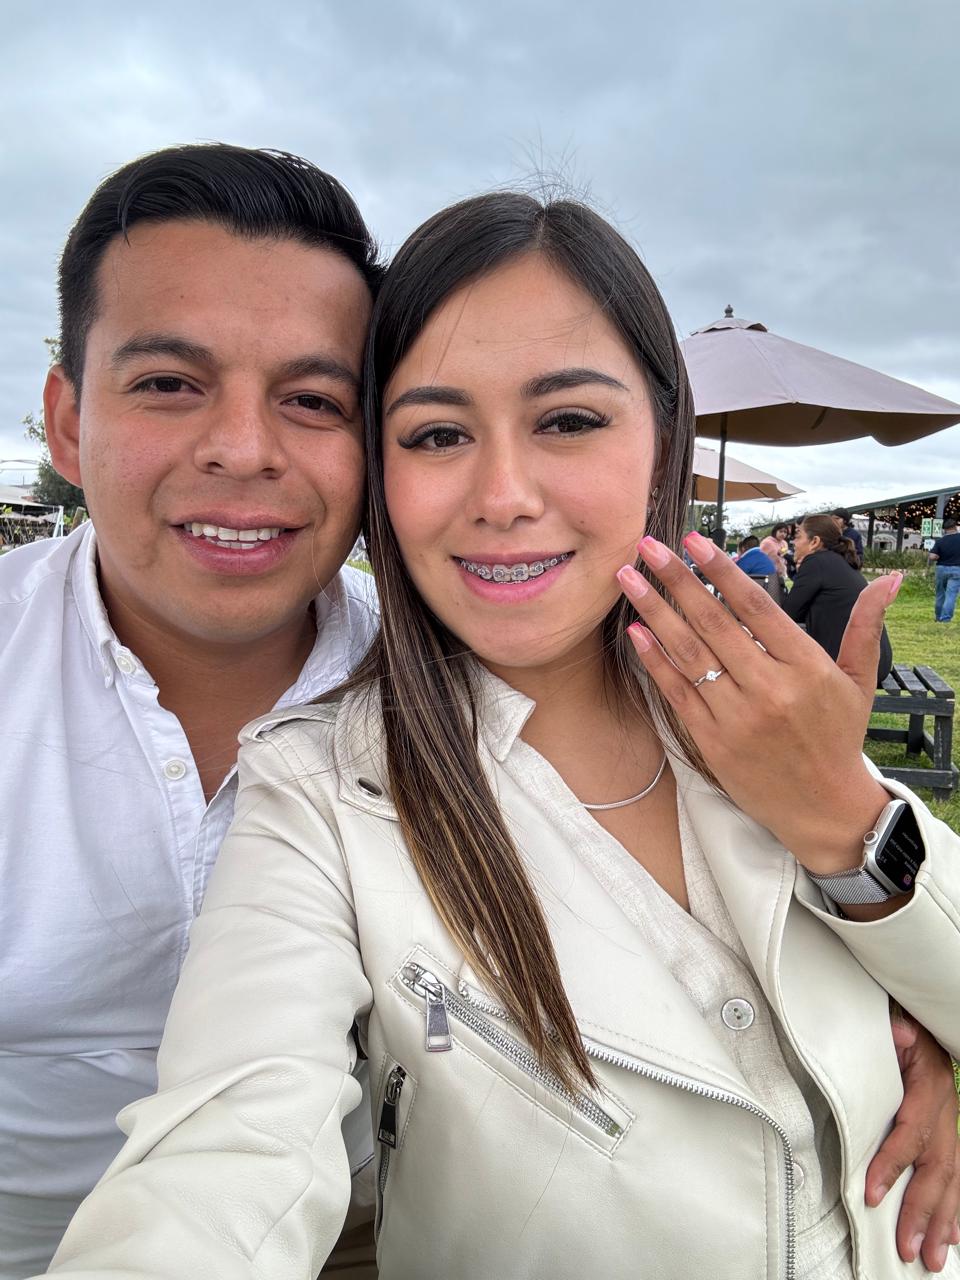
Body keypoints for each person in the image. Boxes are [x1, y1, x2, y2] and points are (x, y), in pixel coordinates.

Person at [38, 194, 960, 1279]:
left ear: (663, 437)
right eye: (437, 434)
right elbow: (228, 1149)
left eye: (568, 420)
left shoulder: (759, 708)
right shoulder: (320, 791)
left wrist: (852, 829)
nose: (505, 496)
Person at [0, 144, 384, 1278]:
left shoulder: (455, 693)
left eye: (313, 401)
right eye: (169, 383)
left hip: (371, 1235)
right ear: (67, 422)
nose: (244, 450)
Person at [784, 514, 894, 687]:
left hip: (856, 667)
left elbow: (788, 614)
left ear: (815, 541)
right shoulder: (840, 561)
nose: (794, 543)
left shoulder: (816, 562)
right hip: (875, 663)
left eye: (798, 536)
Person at [929, 516, 960, 622]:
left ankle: (938, 617)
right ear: (955, 527)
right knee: (951, 595)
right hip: (957, 569)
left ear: (944, 529)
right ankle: (945, 618)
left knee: (940, 594)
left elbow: (932, 556)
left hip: (941, 569)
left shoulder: (940, 541)